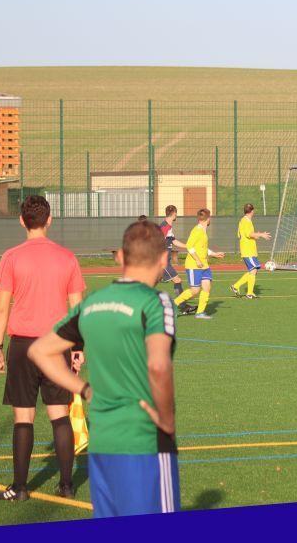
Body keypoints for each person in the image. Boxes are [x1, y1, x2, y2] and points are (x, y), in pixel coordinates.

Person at [28, 220, 179, 517]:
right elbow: (159, 364)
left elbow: (39, 350)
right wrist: (167, 421)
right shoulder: (156, 301)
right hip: (143, 439)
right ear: (164, 259)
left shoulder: (93, 303)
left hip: (103, 443)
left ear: (120, 257)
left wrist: (84, 389)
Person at [0, 195, 86, 501]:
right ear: (49, 220)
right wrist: (77, 347)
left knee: (23, 418)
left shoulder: (11, 257)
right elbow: (77, 309)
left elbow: (2, 308)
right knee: (59, 415)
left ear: (22, 221)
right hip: (56, 346)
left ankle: (19, 488)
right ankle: (67, 486)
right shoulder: (67, 258)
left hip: (23, 346)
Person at [174, 208, 224, 319]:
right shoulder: (197, 230)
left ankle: (200, 312)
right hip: (194, 266)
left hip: (204, 265)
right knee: (195, 290)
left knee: (207, 287)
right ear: (208, 219)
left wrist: (214, 254)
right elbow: (189, 246)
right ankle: (173, 304)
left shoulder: (203, 231)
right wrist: (197, 260)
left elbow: (202, 248)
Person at [232, 203, 271, 298]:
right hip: (247, 250)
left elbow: (245, 235)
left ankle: (236, 286)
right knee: (254, 270)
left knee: (253, 271)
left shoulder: (245, 221)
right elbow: (249, 234)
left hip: (250, 250)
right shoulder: (245, 221)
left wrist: (257, 235)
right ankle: (249, 293)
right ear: (252, 211)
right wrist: (261, 234)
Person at [158, 205, 187, 298]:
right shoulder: (165, 227)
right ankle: (182, 303)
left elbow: (174, 241)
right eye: (176, 213)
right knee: (177, 280)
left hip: (165, 262)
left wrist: (188, 246)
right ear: (174, 213)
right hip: (163, 263)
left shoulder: (168, 227)